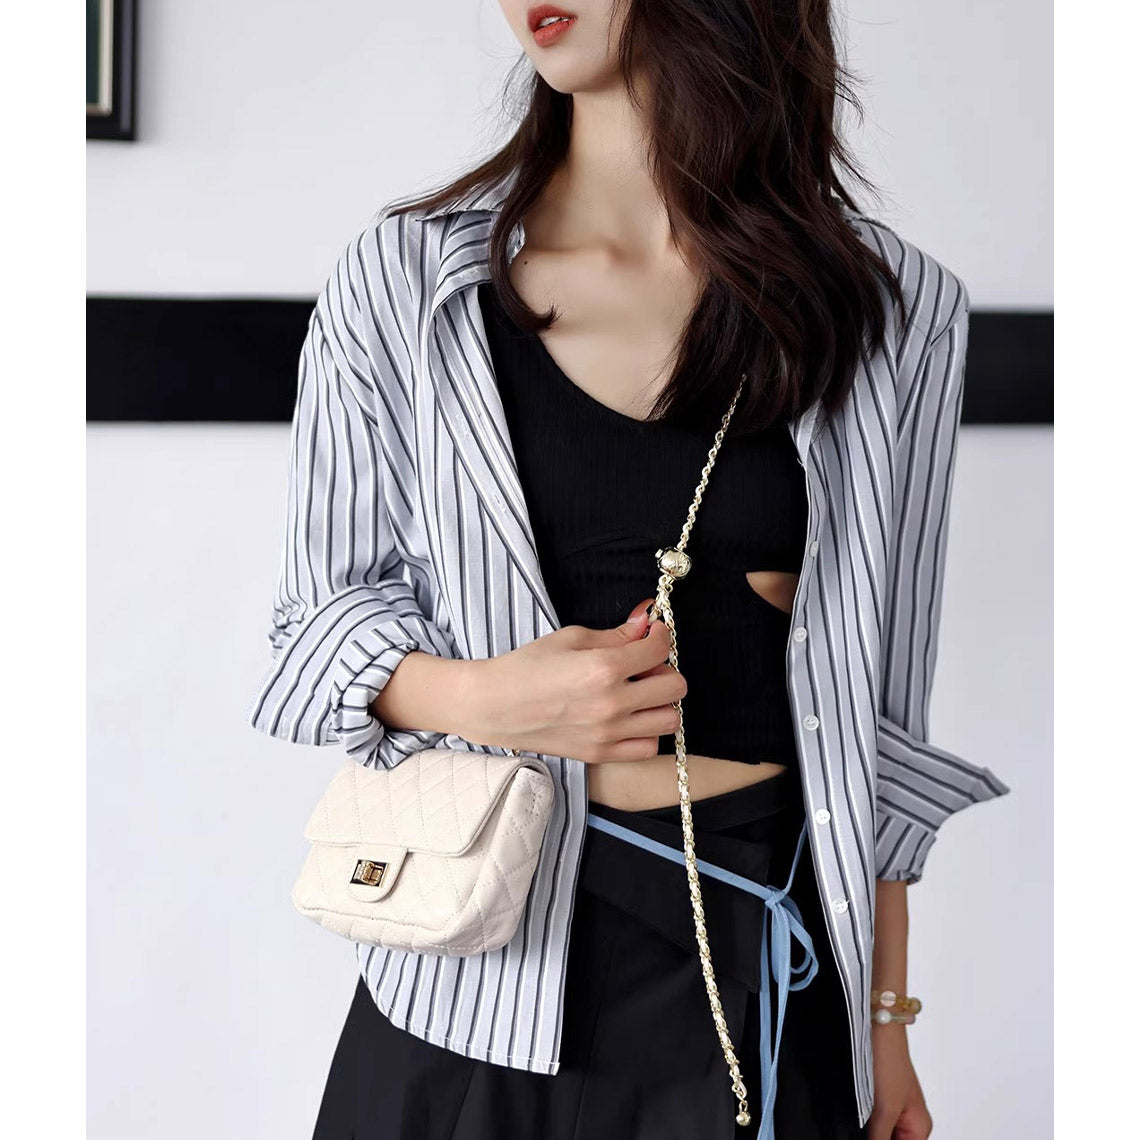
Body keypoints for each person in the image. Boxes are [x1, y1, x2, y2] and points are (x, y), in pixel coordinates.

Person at [246, 2, 1011, 1138]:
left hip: (761, 964)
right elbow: (313, 626)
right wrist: (489, 700)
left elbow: (884, 717)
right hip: (480, 978)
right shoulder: (407, 283)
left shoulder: (894, 308)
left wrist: (887, 1026)